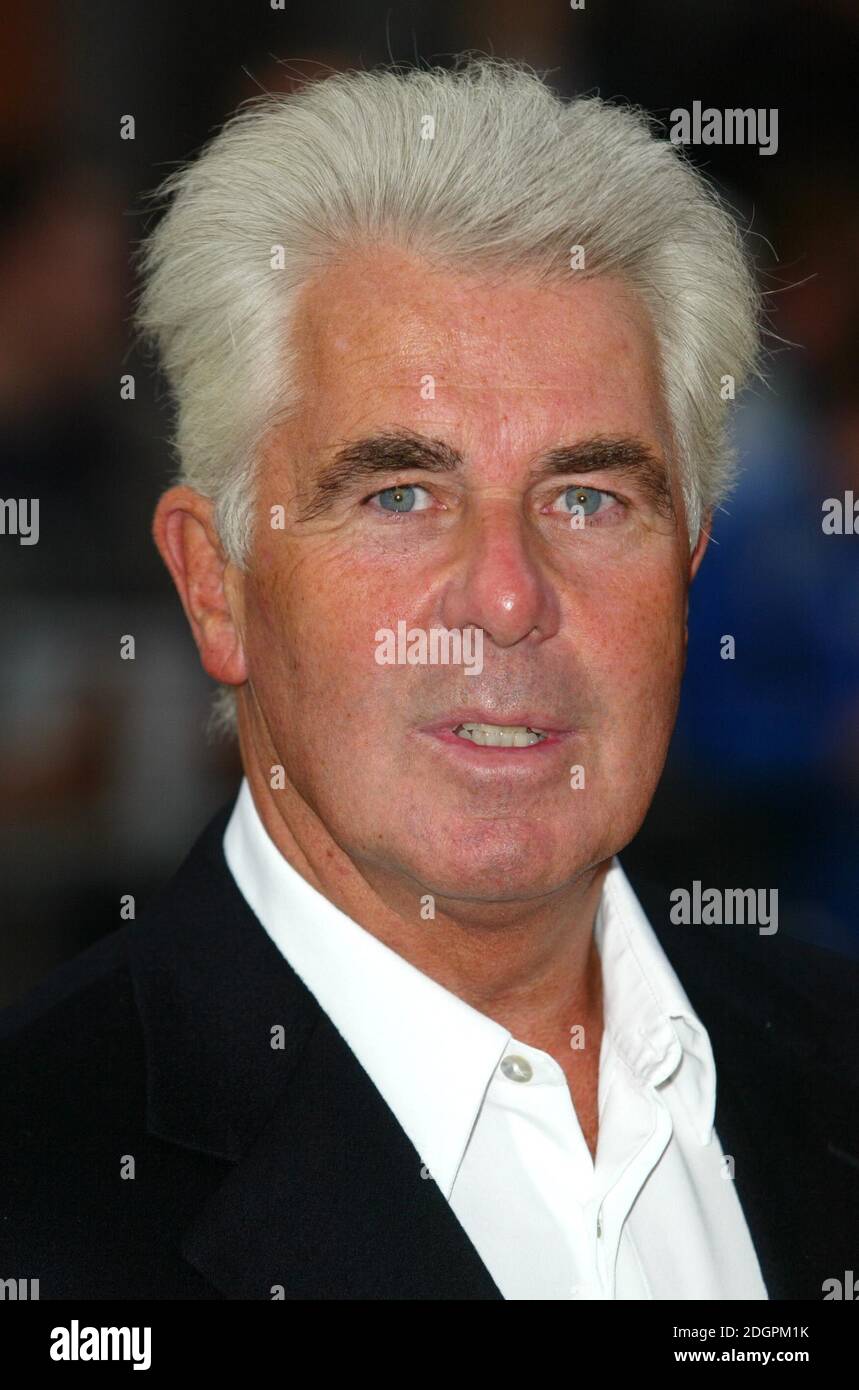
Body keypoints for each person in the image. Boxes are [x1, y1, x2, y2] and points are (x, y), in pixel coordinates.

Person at [1, 57, 856, 1301]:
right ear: (216, 587)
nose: (507, 597)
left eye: (588, 496)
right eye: (400, 494)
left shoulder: (830, 1059)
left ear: (685, 574)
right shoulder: (39, 1201)